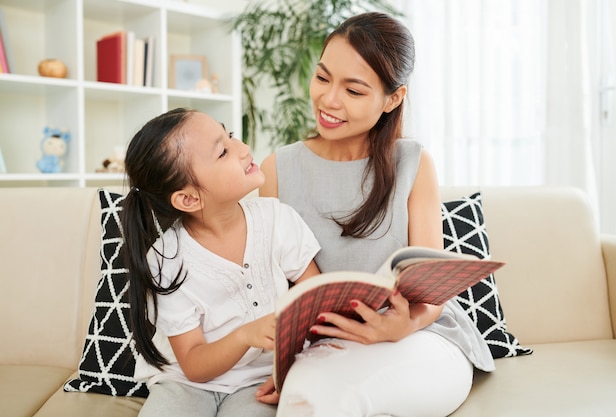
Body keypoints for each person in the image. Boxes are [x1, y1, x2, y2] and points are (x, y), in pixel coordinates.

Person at [258, 12, 495, 417]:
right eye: (322, 78)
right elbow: (270, 287)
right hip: (326, 344)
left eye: (353, 90)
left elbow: (430, 293)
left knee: (347, 400)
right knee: (307, 402)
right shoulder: (276, 169)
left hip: (420, 335)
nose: (329, 100)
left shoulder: (413, 163)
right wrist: (283, 361)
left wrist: (404, 325)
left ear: (393, 98)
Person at [120, 108, 321, 417]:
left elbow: (315, 294)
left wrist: (289, 366)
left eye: (229, 135)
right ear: (188, 199)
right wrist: (245, 334)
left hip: (257, 382)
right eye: (223, 151)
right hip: (185, 384)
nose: (243, 149)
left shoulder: (277, 219)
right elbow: (195, 366)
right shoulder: (166, 260)